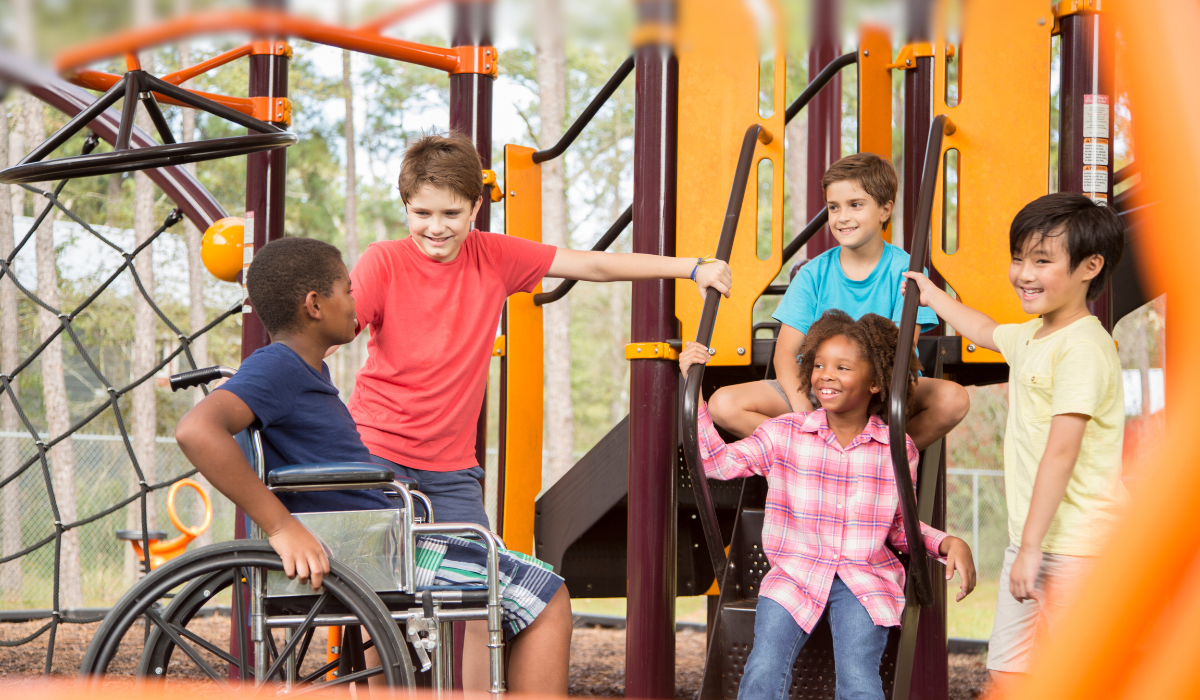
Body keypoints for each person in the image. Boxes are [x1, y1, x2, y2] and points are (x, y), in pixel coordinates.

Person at [343, 132, 731, 687]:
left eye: (451, 212)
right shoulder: (384, 261)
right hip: (378, 457)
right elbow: (336, 327)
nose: (435, 226)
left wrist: (690, 267)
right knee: (383, 602)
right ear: (405, 206)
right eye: (421, 212)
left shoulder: (494, 256)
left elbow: (591, 266)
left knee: (483, 601)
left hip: (450, 472)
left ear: (477, 207)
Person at [174, 237, 572, 694]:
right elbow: (196, 430)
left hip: (379, 540)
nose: (357, 300)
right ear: (315, 305)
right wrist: (282, 527)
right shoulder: (278, 367)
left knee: (519, 581)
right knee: (546, 598)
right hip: (372, 551)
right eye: (348, 289)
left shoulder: (298, 369)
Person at [680, 310, 976, 700]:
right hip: (795, 574)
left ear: (875, 382)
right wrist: (694, 393)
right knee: (763, 669)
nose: (825, 375)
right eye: (818, 364)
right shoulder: (784, 433)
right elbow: (716, 463)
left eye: (842, 367)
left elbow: (899, 527)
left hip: (863, 579)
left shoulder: (896, 449)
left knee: (858, 677)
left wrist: (946, 543)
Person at [901, 192, 1128, 689]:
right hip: (1030, 542)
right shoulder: (1031, 337)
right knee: (1007, 670)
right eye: (1019, 258)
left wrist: (1030, 548)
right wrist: (933, 295)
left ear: (1090, 266)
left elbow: (1061, 452)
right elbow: (983, 329)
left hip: (1080, 547)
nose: (1024, 273)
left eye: (1042, 261)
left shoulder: (1084, 349)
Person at [704, 152, 969, 450]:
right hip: (819, 389)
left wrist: (868, 395)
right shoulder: (813, 274)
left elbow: (899, 353)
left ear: (885, 210)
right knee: (723, 404)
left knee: (953, 399)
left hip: (879, 390)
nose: (842, 217)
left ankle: (880, 455)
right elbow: (785, 354)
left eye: (855, 205)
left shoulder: (906, 272)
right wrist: (807, 418)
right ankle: (813, 451)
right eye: (834, 207)